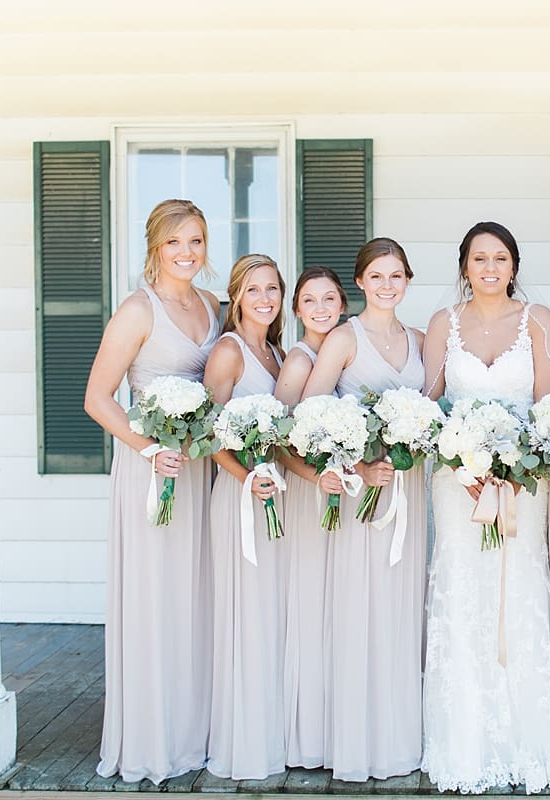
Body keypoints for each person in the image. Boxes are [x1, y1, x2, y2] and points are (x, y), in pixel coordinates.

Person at [421, 221, 550, 793]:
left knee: (517, 591)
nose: (489, 267)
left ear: (514, 266)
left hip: (522, 482)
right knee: (462, 592)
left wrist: (513, 465)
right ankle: (465, 743)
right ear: (464, 266)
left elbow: (548, 407)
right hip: (456, 484)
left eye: (500, 258)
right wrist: (462, 463)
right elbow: (430, 402)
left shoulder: (538, 319)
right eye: (479, 258)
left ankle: (524, 740)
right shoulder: (443, 322)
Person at [84, 198, 220, 784]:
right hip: (153, 470)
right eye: (174, 242)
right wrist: (148, 450)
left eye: (195, 241)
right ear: (155, 248)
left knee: (197, 597)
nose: (186, 253)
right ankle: (151, 740)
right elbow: (97, 398)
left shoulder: (212, 304)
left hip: (199, 469)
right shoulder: (137, 310)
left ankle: (195, 733)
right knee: (156, 596)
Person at [301, 238, 427, 782]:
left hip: (409, 493)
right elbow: (309, 416)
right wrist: (357, 466)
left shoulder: (420, 340)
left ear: (407, 280)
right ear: (360, 282)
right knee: (361, 611)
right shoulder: (343, 339)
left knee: (400, 610)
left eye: (396, 275)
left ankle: (397, 738)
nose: (386, 285)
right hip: (362, 497)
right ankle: (357, 742)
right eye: (376, 276)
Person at [202, 254, 287, 779]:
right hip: (241, 497)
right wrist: (245, 477)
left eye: (272, 288)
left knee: (272, 614)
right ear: (236, 296)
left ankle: (275, 730)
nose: (264, 298)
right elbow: (209, 432)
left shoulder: (277, 352)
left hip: (276, 495)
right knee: (246, 615)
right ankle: (245, 742)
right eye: (253, 289)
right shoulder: (229, 351)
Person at [273, 265, 348, 769]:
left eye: (329, 299)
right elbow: (279, 442)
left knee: (330, 611)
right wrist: (315, 477)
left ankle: (331, 725)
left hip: (332, 493)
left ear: (342, 304)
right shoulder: (300, 361)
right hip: (308, 496)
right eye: (309, 301)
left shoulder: (337, 352)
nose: (320, 309)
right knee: (311, 608)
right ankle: (306, 735)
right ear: (297, 309)